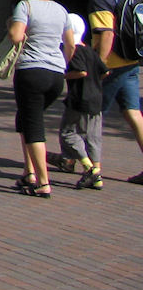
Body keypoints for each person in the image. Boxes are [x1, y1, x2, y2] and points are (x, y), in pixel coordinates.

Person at [4, 0, 75, 198]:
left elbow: (15, 36)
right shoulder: (61, 9)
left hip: (31, 71)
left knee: (33, 125)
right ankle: (29, 172)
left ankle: (43, 182)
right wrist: (65, 66)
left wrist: (12, 25)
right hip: (55, 74)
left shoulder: (25, 6)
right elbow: (70, 44)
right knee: (25, 118)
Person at [83, 0, 143, 183]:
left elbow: (106, 33)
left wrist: (99, 66)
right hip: (131, 62)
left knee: (92, 116)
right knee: (133, 114)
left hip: (111, 66)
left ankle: (90, 166)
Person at [59, 11, 105, 190]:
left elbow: (81, 71)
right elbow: (105, 71)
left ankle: (89, 167)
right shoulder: (91, 51)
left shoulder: (75, 50)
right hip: (96, 99)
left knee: (68, 133)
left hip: (79, 99)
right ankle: (97, 176)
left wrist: (64, 75)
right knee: (93, 137)